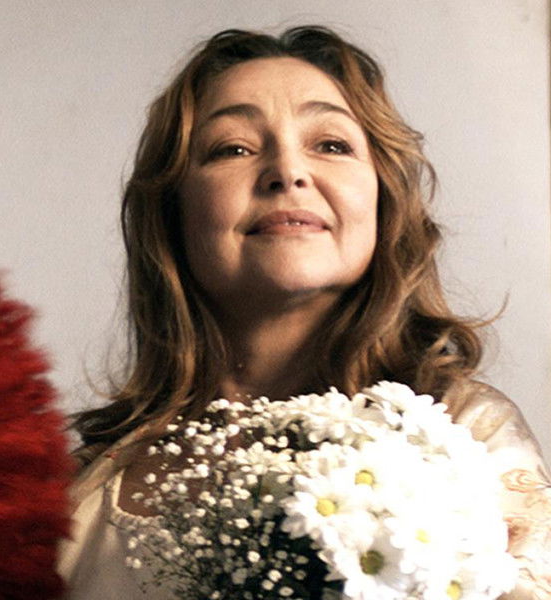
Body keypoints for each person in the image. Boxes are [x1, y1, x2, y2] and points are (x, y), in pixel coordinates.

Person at [58, 26, 551, 599]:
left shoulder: (467, 433)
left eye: (332, 145)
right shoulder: (79, 490)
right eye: (233, 148)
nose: (287, 171)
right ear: (173, 212)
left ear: (383, 198)